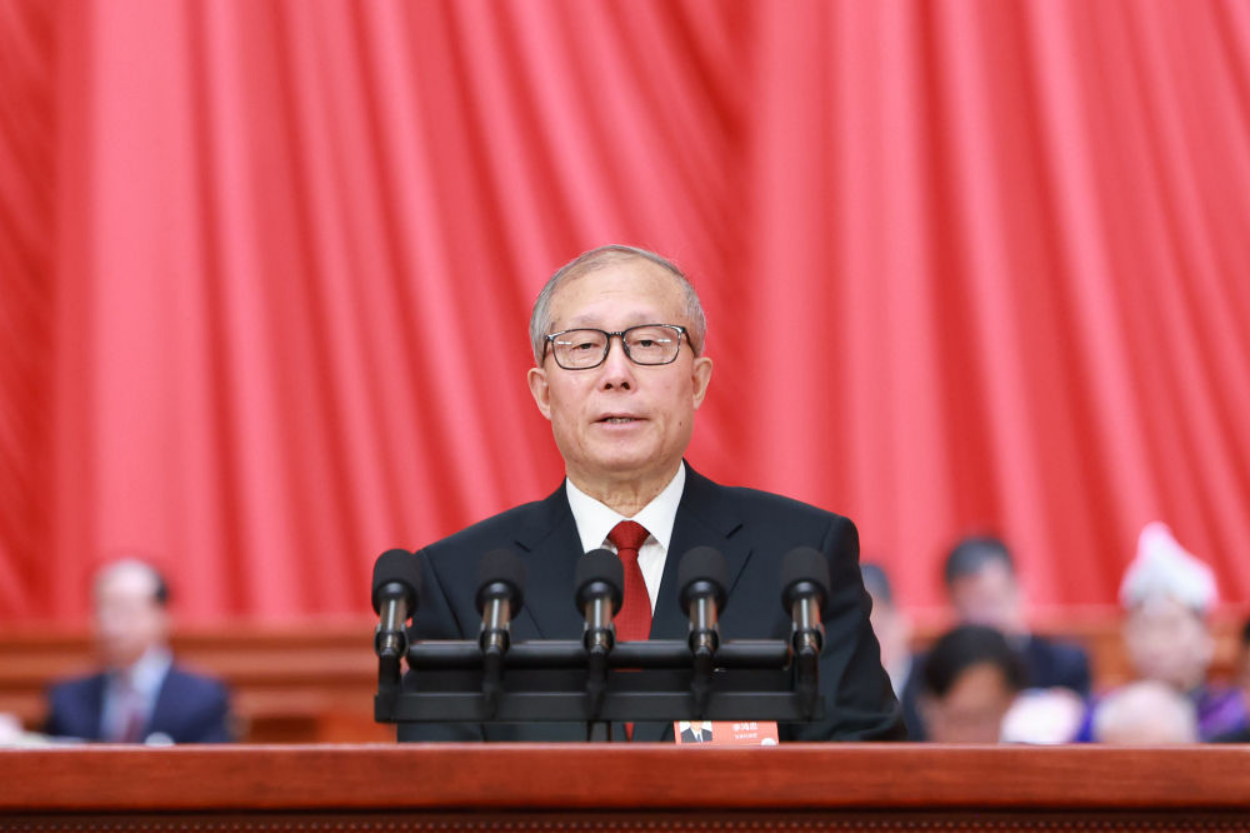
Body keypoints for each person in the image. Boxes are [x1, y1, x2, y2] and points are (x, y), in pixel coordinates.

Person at [400, 244, 904, 742]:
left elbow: (866, 771)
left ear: (697, 382)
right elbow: (436, 787)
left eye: (647, 343)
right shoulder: (458, 583)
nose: (617, 375)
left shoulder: (803, 558)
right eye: (583, 346)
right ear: (544, 392)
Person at [44, 559, 234, 744]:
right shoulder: (67, 698)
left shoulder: (203, 697)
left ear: (163, 616)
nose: (110, 624)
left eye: (124, 609)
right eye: (101, 609)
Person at [1109, 523, 1246, 742]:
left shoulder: (1232, 717)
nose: (1156, 644)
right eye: (1145, 627)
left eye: (1171, 626)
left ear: (1206, 636)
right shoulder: (1109, 712)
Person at [916, 624, 1027, 744]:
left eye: (982, 719)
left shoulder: (1032, 753)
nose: (969, 737)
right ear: (927, 707)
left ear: (1009, 703)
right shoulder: (903, 750)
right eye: (958, 720)